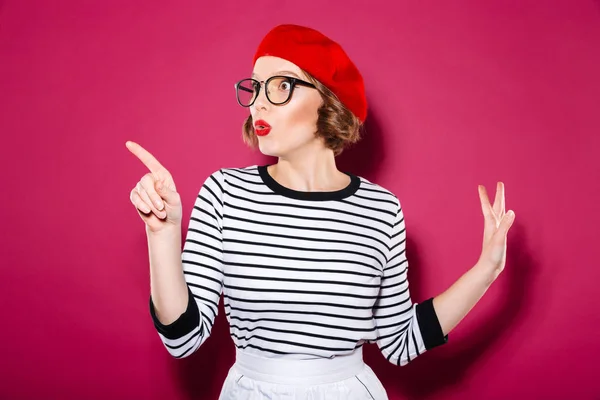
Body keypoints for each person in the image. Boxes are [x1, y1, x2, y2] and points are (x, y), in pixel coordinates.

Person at [126, 24, 515, 400]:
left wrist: (486, 270)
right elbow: (182, 339)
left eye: (281, 85)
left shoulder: (381, 210)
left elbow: (400, 342)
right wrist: (162, 236)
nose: (259, 101)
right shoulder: (226, 193)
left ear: (329, 100)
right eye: (256, 87)